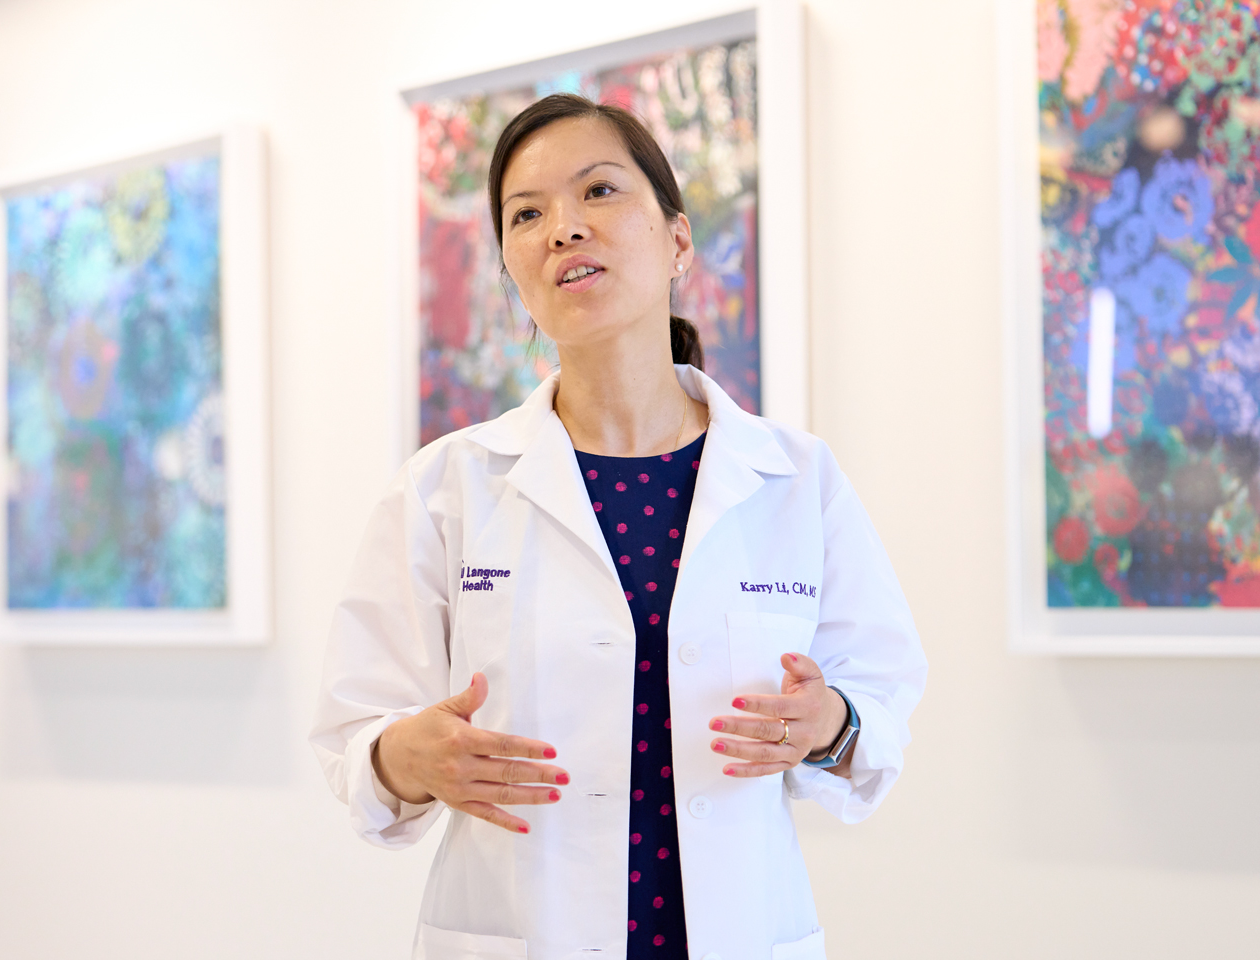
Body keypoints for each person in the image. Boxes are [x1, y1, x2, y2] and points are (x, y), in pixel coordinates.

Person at [311, 94, 926, 960]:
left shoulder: (796, 479)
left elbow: (882, 699)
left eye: (598, 192)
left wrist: (831, 722)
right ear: (513, 270)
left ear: (678, 241)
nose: (563, 228)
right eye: (527, 214)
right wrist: (405, 757)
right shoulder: (446, 487)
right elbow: (356, 734)